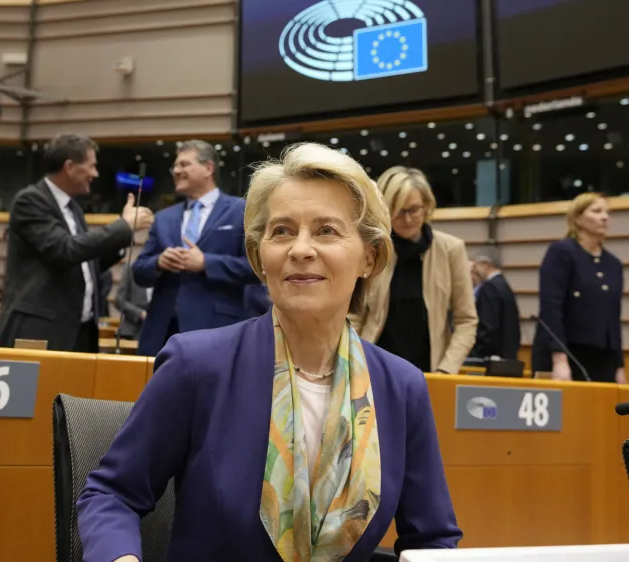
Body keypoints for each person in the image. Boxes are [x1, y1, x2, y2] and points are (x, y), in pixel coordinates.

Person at [77, 143, 461, 562]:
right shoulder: (197, 365)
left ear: (369, 257)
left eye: (326, 230)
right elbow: (112, 494)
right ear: (261, 256)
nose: (300, 249)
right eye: (281, 231)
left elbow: (432, 539)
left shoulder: (402, 386)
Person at [0, 133, 154, 352]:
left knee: (69, 389)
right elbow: (65, 249)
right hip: (40, 331)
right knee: (44, 388)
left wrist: (121, 238)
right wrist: (123, 225)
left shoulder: (74, 209)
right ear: (70, 166)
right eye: (91, 166)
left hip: (79, 333)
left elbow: (86, 262)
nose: (95, 174)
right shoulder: (30, 200)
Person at [132, 140, 258, 357]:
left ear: (208, 168)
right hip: (161, 332)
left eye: (184, 164)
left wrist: (206, 263)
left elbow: (256, 268)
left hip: (217, 329)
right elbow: (139, 271)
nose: (176, 171)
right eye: (175, 167)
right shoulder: (163, 218)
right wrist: (159, 262)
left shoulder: (241, 211)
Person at [352, 166, 477, 374]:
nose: (408, 219)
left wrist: (446, 369)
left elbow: (466, 320)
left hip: (430, 372)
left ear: (426, 206)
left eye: (414, 209)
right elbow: (354, 314)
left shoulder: (451, 250)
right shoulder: (371, 251)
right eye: (399, 211)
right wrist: (353, 361)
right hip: (373, 369)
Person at [532, 193, 625, 383]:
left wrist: (619, 365)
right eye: (597, 211)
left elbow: (613, 318)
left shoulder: (613, 263)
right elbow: (551, 306)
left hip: (602, 357)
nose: (605, 217)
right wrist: (559, 359)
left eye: (607, 212)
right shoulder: (562, 253)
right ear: (577, 218)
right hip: (567, 353)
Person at [470, 248, 521, 360]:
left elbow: (488, 327)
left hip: (490, 357)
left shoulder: (489, 287)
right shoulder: (504, 285)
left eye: (475, 266)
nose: (475, 271)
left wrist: (475, 354)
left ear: (485, 264)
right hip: (507, 356)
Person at [113, 266, 151, 340]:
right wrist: (140, 313)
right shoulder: (131, 269)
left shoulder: (168, 272)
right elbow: (119, 300)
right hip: (133, 329)